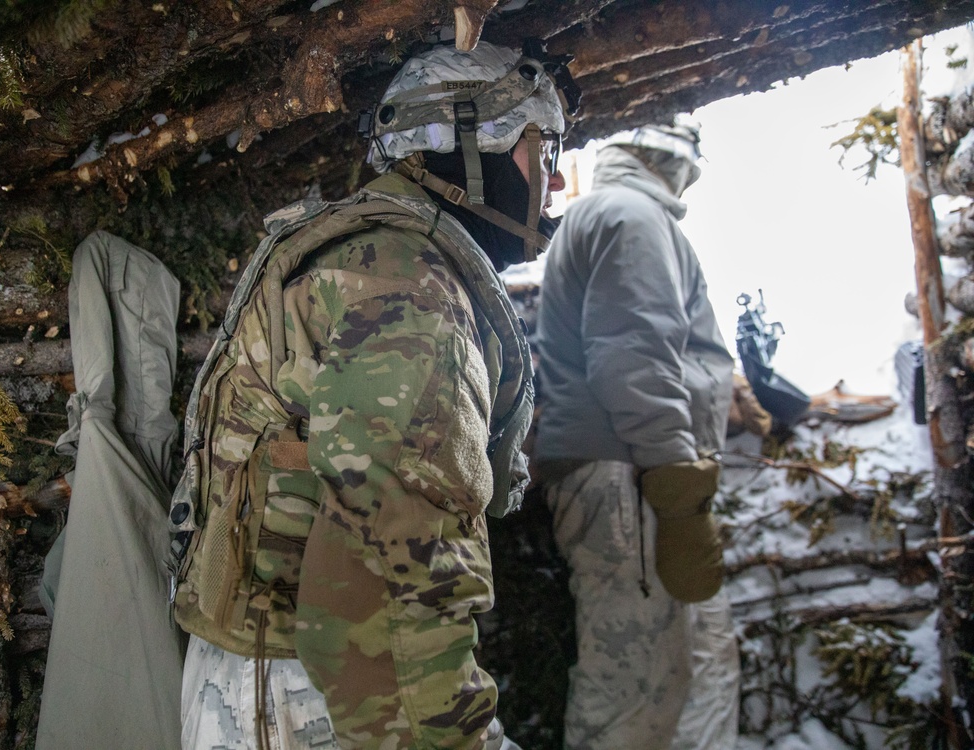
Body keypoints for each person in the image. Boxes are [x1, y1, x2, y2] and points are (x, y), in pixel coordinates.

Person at [168, 38, 576, 750]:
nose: (558, 183)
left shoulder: (374, 258)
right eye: (544, 154)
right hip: (313, 696)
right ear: (471, 147)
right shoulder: (407, 286)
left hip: (274, 678)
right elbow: (385, 575)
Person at [534, 122, 741, 750]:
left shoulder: (618, 215)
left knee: (698, 665)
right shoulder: (631, 216)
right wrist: (677, 487)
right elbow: (633, 359)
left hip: (639, 471)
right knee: (632, 694)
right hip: (634, 475)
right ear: (665, 156)